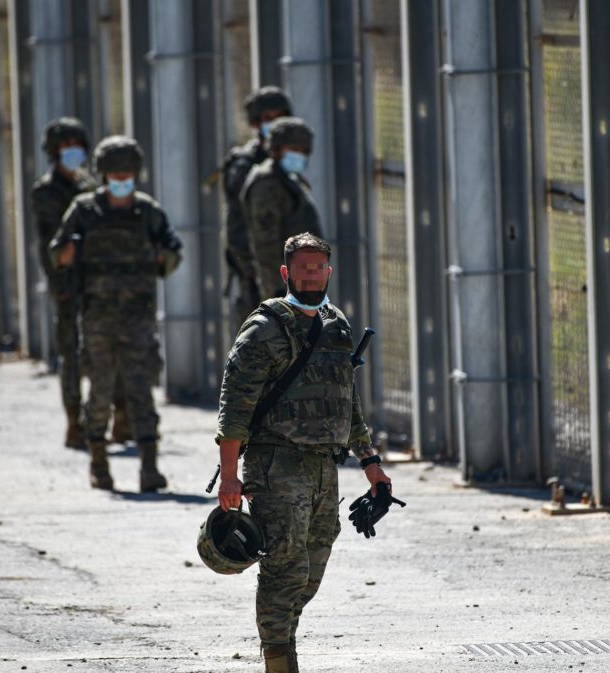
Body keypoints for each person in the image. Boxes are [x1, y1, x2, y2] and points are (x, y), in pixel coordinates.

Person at [216, 233, 392, 672]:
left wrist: (370, 463)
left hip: (323, 468)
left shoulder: (336, 324)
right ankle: (279, 662)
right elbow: (234, 407)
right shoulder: (264, 329)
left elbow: (347, 402)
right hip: (277, 466)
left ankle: (283, 645)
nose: (311, 274)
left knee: (310, 571)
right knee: (283, 570)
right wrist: (230, 475)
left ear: (329, 271)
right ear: (285, 273)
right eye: (303, 268)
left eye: (318, 267)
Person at [50, 135, 182, 491]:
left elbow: (172, 253)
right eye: (115, 173)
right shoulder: (84, 211)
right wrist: (71, 252)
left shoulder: (147, 211)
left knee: (141, 390)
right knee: (101, 391)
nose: (122, 179)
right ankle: (98, 462)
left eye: (127, 173)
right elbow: (57, 254)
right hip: (98, 316)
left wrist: (159, 257)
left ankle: (149, 467)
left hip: (137, 316)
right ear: (103, 174)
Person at [30, 117, 131, 449]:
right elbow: (49, 244)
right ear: (53, 152)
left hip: (101, 282)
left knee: (110, 348)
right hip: (69, 283)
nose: (72, 151)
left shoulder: (91, 186)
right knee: (72, 352)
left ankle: (119, 414)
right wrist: (59, 282)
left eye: (77, 145)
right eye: (65, 146)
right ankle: (75, 420)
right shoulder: (47, 192)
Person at [220, 87, 294, 334]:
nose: (274, 123)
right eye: (267, 118)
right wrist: (252, 271)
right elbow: (238, 226)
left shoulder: (286, 163)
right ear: (256, 123)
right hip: (258, 279)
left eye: (280, 116)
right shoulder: (246, 165)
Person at [240, 118, 323, 301]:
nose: (299, 155)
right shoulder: (267, 185)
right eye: (293, 150)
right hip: (283, 291)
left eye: (303, 151)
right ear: (277, 150)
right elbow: (265, 246)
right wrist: (280, 293)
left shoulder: (290, 181)